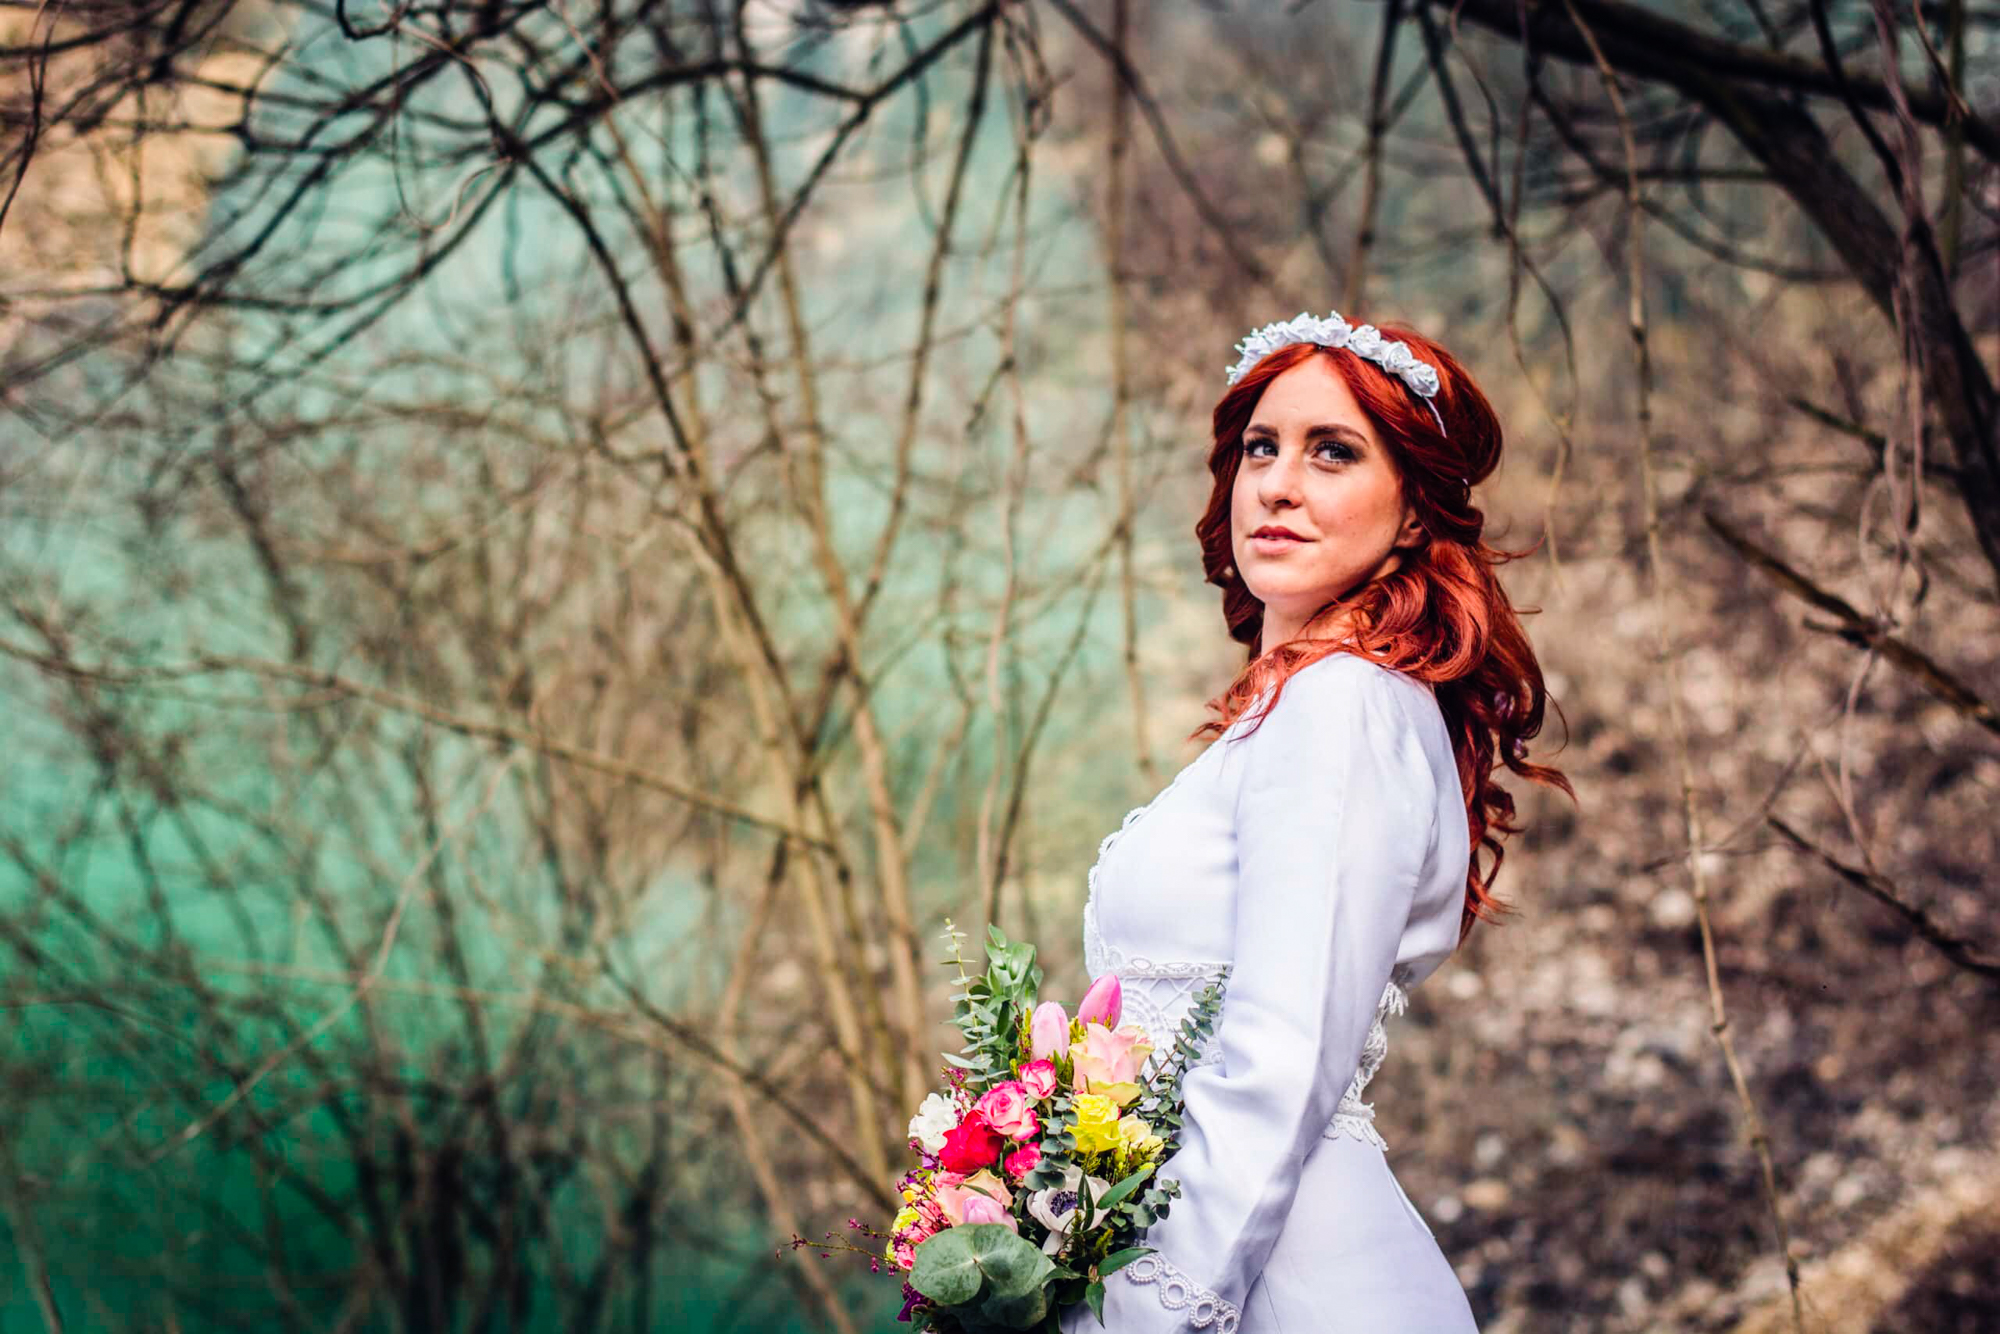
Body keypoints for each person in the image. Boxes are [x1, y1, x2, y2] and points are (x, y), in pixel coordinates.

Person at [1061, 312, 1575, 1333]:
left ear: (1415, 510)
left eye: (1331, 452)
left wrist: (1153, 1311)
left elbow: (1282, 1060)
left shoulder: (1343, 703)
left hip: (1285, 1289)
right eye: (1261, 448)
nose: (1277, 484)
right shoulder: (1301, 710)